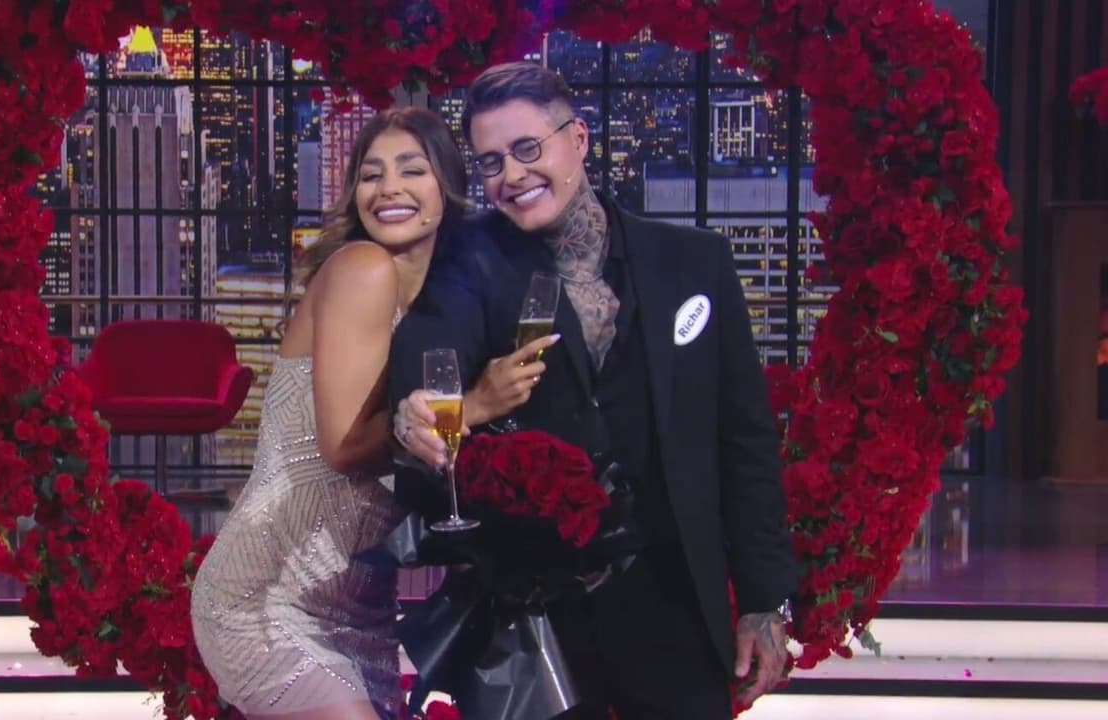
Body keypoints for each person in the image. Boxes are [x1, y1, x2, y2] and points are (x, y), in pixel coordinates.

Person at [390, 62, 798, 719]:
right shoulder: (466, 260)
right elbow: (426, 366)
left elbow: (744, 440)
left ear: (577, 139)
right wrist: (420, 409)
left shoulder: (694, 263)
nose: (512, 175)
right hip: (533, 614)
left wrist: (763, 599)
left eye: (528, 149)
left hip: (671, 602)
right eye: (491, 162)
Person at [189, 107, 553, 720]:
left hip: (363, 607)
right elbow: (341, 448)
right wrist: (474, 404)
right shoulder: (364, 270)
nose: (388, 188)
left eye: (411, 170)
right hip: (270, 596)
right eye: (371, 174)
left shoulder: (448, 303)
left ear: (447, 185)